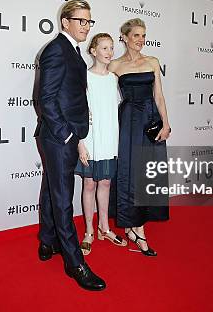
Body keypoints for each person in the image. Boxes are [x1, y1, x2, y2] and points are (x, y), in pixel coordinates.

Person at [35, 0, 106, 291]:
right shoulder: (56, 50)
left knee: (51, 187)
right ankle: (74, 262)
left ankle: (47, 240)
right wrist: (67, 136)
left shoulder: (72, 50)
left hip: (62, 134)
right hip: (58, 136)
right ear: (65, 22)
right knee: (63, 198)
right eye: (81, 21)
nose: (86, 27)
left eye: (90, 22)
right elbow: (45, 99)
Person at [108, 18, 170, 257]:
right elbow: (98, 90)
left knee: (148, 171)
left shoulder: (152, 61)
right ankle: (137, 230)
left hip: (151, 121)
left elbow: (160, 97)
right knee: (131, 171)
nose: (141, 41)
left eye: (144, 36)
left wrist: (166, 123)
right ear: (124, 37)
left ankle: (137, 226)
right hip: (128, 122)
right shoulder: (114, 66)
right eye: (136, 36)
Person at [75, 33, 127, 256]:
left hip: (108, 141)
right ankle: (88, 231)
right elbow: (78, 113)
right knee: (89, 185)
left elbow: (113, 110)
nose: (109, 52)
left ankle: (104, 228)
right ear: (93, 51)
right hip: (90, 140)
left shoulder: (114, 79)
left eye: (111, 48)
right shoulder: (84, 78)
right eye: (104, 48)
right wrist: (80, 144)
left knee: (105, 184)